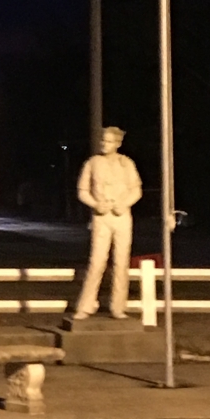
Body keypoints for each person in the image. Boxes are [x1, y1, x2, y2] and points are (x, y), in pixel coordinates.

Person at [73, 126, 142, 320]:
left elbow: (136, 190)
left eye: (110, 141)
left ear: (118, 144)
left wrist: (124, 204)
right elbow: (82, 191)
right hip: (101, 217)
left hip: (122, 217)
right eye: (103, 140)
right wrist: (95, 204)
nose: (105, 144)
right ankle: (86, 305)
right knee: (97, 261)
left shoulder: (126, 163)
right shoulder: (92, 163)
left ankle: (118, 306)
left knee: (121, 262)